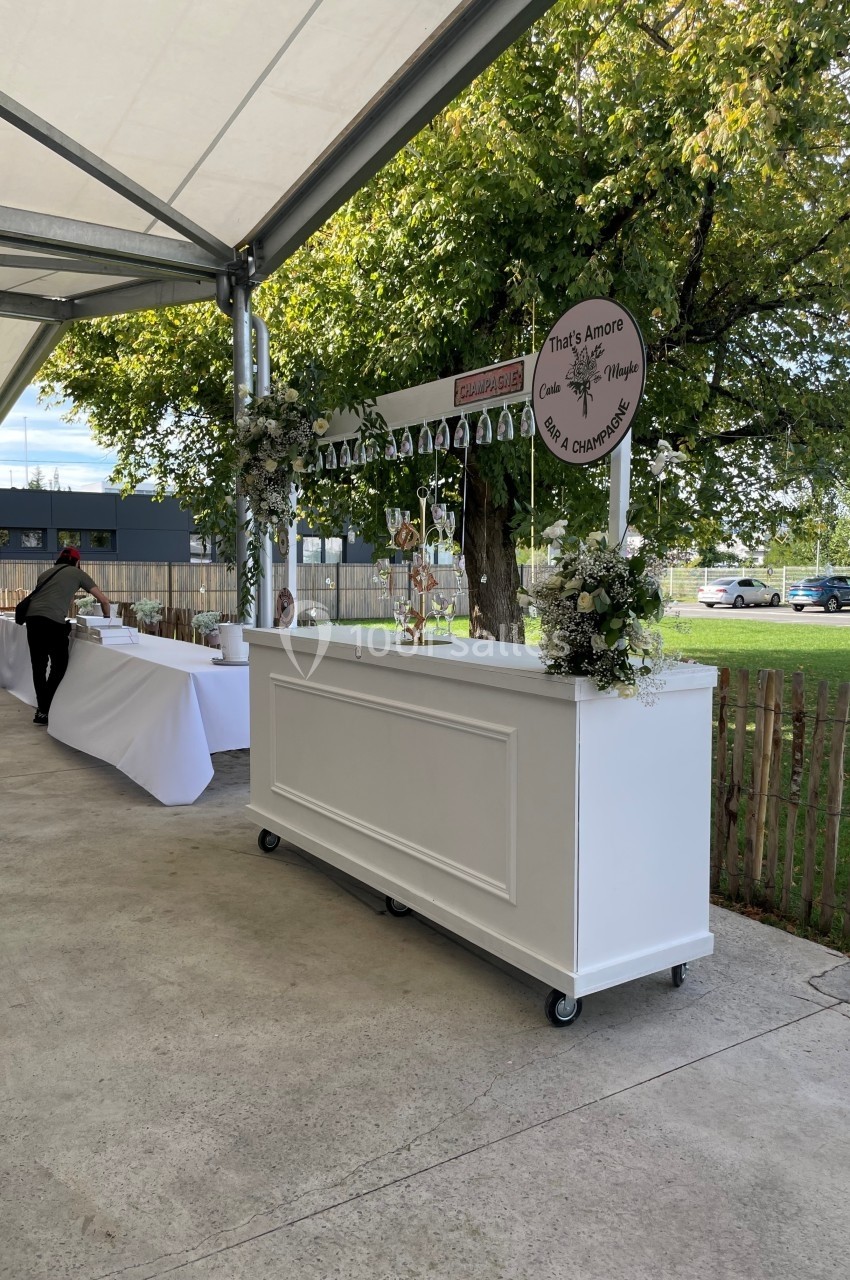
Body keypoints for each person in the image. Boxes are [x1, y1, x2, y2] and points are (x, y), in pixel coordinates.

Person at [25, 546, 111, 726]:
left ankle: (42, 711)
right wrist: (107, 619)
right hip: (52, 622)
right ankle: (46, 706)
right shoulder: (78, 574)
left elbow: (57, 597)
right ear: (77, 561)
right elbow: (103, 600)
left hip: (32, 620)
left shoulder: (46, 573)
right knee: (60, 665)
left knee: (39, 666)